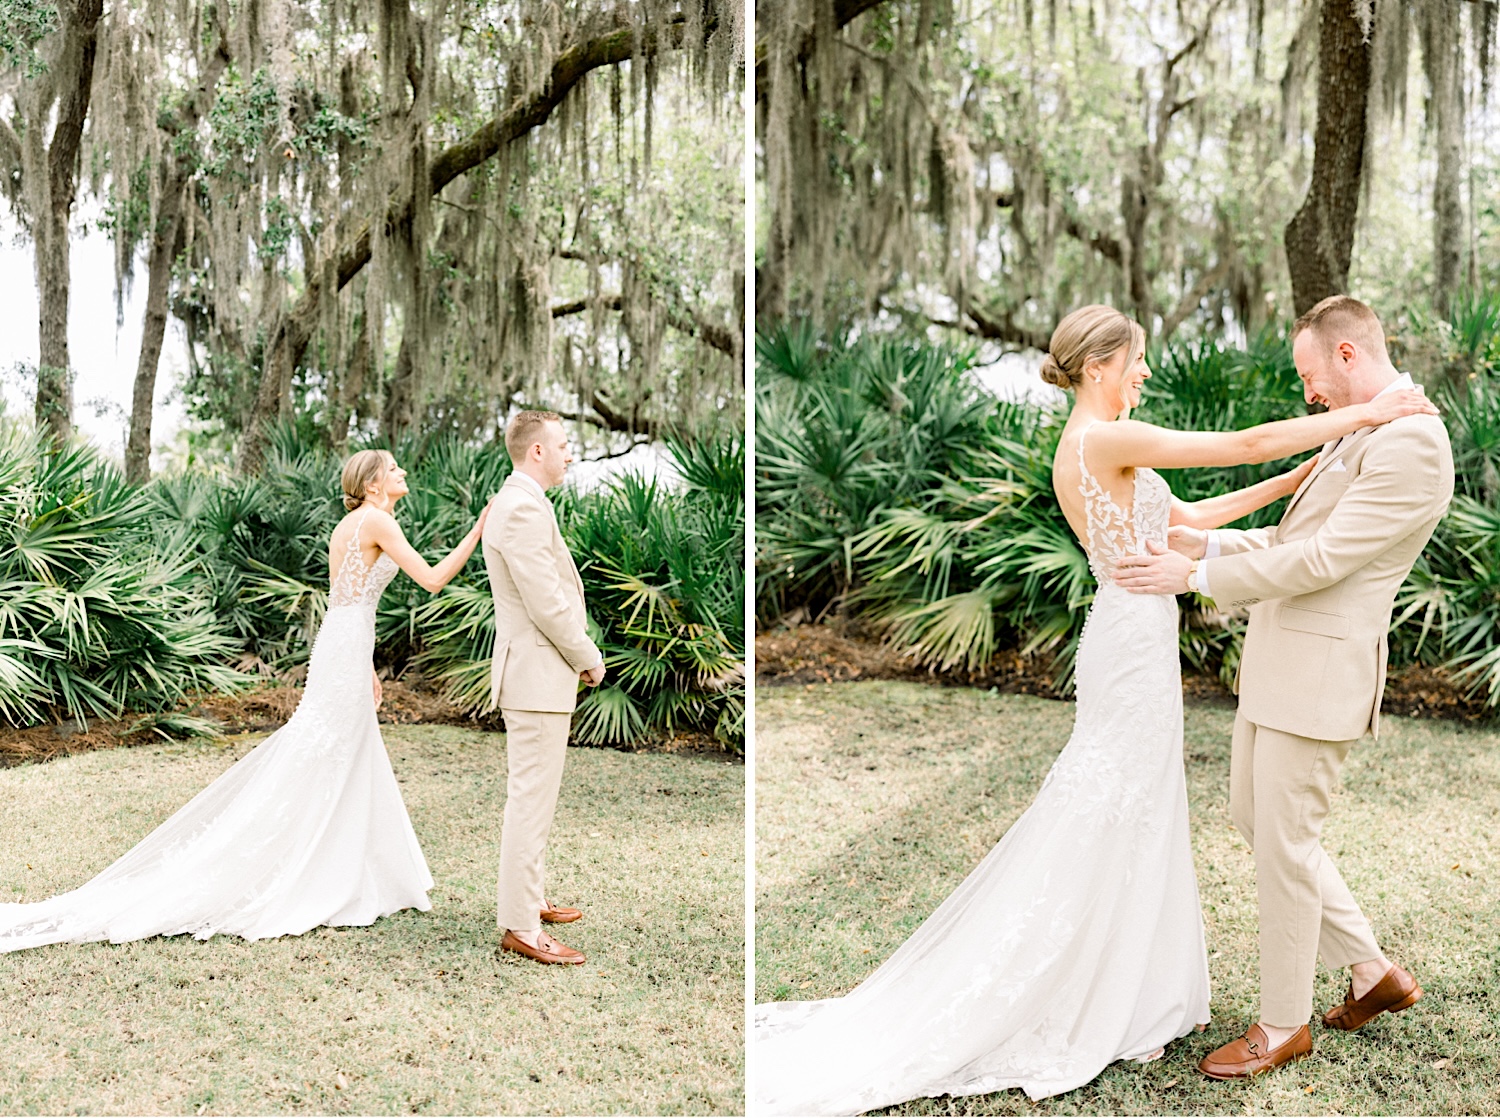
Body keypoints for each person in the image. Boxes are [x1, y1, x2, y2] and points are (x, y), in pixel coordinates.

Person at [751, 304, 1437, 1115]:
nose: (1145, 374)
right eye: (1138, 361)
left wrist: (1289, 485)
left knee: (1144, 809)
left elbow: (1185, 524)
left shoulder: (1104, 450)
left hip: (1142, 630)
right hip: (1133, 639)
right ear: (1100, 365)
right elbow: (1241, 445)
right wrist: (1363, 413)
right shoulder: (1099, 440)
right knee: (1118, 804)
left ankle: (1167, 982)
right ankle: (1105, 988)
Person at [1115, 294, 1454, 1079]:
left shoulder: (1412, 443)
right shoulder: (1361, 430)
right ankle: (1373, 972)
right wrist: (1213, 538)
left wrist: (1196, 573)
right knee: (1254, 818)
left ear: (1346, 354)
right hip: (1279, 663)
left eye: (1312, 376)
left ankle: (1282, 1024)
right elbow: (1297, 536)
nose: (1311, 395)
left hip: (1322, 672)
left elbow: (1326, 561)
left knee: (1288, 844)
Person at [0, 450, 489, 952]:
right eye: (393, 469)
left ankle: (351, 870)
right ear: (372, 484)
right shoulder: (378, 521)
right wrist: (477, 531)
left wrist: (363, 664)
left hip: (341, 644)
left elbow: (347, 599)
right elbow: (431, 579)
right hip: (344, 646)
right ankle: (314, 870)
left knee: (334, 751)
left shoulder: (349, 525)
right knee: (327, 752)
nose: (402, 473)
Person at [482, 411, 606, 966]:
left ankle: (527, 900)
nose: (569, 453)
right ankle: (521, 927)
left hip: (537, 673)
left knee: (534, 799)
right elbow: (546, 602)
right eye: (563, 444)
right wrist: (587, 654)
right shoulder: (522, 509)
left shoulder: (521, 503)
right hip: (536, 673)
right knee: (530, 802)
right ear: (536, 451)